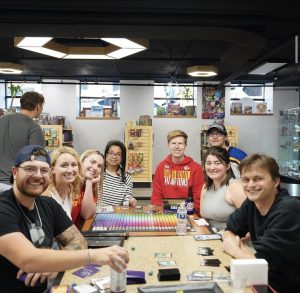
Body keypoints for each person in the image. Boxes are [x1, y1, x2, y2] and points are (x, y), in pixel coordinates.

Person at [0, 145, 129, 293]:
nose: (37, 175)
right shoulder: (3, 208)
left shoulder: (47, 204)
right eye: (30, 169)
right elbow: (28, 260)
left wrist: (50, 265)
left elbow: (79, 242)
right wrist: (94, 256)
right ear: (15, 172)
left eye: (43, 170)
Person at [222, 153, 300, 293]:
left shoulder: (289, 209)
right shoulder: (251, 203)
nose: (251, 185)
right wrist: (244, 253)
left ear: (275, 181)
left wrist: (234, 249)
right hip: (262, 279)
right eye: (246, 180)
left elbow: (259, 262)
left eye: (258, 179)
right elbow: (229, 231)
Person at [0, 91, 45, 192]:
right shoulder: (34, 128)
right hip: (14, 185)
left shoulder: (2, 120)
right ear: (38, 106)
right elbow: (37, 160)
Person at [151, 130, 204, 215]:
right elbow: (156, 194)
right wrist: (158, 211)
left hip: (187, 212)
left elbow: (199, 196)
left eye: (180, 143)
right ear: (168, 145)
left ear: (185, 145)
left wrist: (195, 214)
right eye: (173, 143)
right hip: (165, 212)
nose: (177, 147)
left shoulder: (196, 168)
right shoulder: (161, 167)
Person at [200, 146, 246, 230]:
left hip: (232, 238)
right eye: (208, 163)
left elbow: (251, 225)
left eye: (217, 163)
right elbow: (204, 217)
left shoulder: (235, 187)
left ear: (228, 166)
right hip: (210, 237)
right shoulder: (206, 187)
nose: (212, 167)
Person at [44, 147, 82, 219]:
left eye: (74, 165)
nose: (70, 170)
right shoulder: (46, 194)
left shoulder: (70, 189)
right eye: (64, 165)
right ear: (52, 169)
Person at [72, 149, 104, 228]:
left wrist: (89, 183)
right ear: (82, 161)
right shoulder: (70, 180)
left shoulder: (91, 184)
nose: (95, 167)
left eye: (99, 166)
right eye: (92, 162)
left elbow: (87, 214)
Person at [102, 140, 137, 207]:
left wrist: (130, 201)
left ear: (122, 158)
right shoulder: (99, 173)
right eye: (111, 153)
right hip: (98, 213)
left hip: (116, 215)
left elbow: (126, 200)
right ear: (106, 155)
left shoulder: (126, 177)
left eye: (118, 154)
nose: (114, 156)